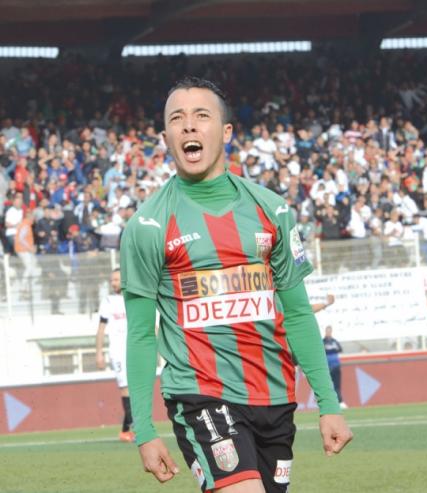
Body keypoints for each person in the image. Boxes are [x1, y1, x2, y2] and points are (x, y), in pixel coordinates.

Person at [120, 77, 352, 493]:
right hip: (200, 394)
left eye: (201, 115)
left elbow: (298, 313)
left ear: (226, 132)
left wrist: (328, 404)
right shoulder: (147, 226)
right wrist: (144, 431)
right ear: (166, 138)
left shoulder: (273, 210)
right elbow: (140, 334)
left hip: (275, 397)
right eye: (177, 119)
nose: (189, 126)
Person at [95, 268, 134, 442]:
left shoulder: (133, 299)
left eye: (117, 280)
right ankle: (128, 430)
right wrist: (99, 353)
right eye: (112, 280)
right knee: (126, 388)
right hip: (118, 352)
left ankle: (128, 429)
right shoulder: (108, 301)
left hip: (134, 350)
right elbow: (101, 329)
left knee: (136, 390)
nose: (113, 283)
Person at [323, 326, 347, 409]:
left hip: (336, 366)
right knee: (328, 386)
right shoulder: (323, 342)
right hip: (327, 367)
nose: (328, 333)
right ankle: (328, 403)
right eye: (327, 331)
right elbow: (322, 351)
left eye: (330, 331)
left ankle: (340, 402)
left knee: (337, 385)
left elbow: (340, 349)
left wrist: (331, 349)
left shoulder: (334, 341)